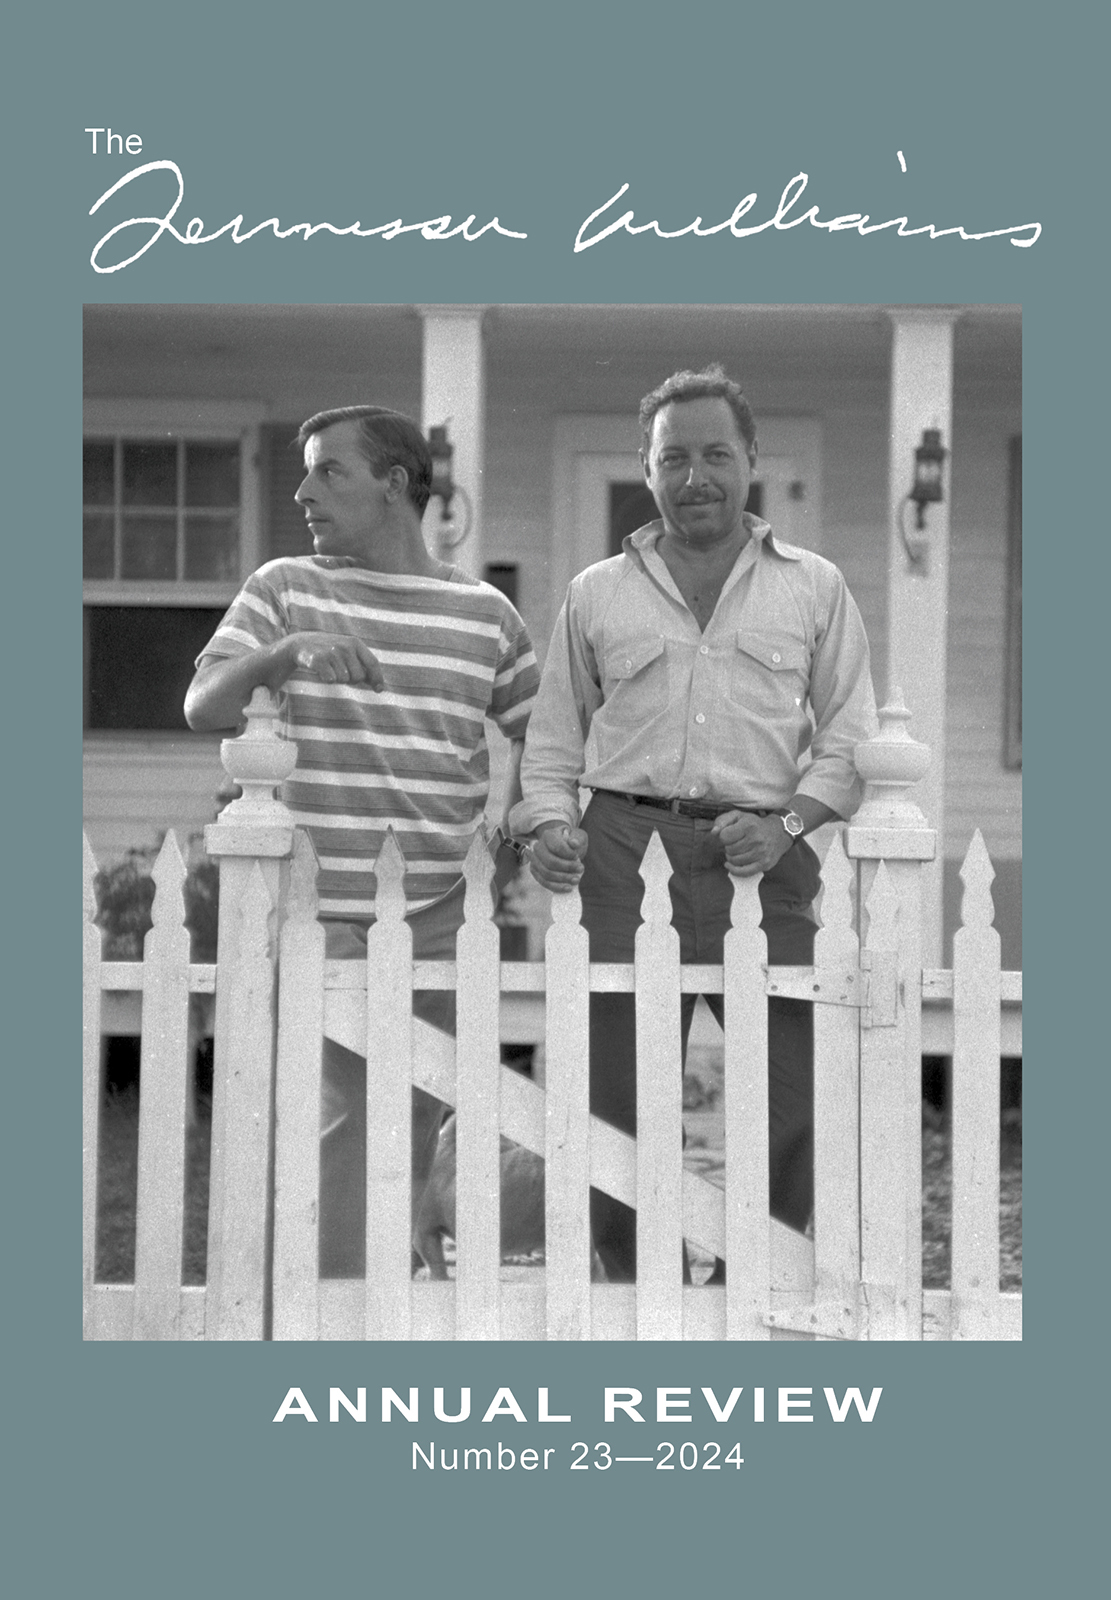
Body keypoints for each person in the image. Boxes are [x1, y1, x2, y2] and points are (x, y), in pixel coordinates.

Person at [509, 365, 878, 1283]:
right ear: (646, 467)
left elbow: (850, 740)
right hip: (623, 850)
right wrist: (549, 823)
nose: (695, 475)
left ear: (751, 460)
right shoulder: (597, 592)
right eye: (673, 457)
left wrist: (789, 823)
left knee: (789, 1091)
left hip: (766, 854)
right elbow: (553, 739)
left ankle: (766, 1278)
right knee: (614, 1095)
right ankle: (637, 1289)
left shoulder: (814, 587)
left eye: (716, 453)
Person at [185, 405, 538, 1276]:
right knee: (342, 1114)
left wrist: (516, 820)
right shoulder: (285, 590)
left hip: (441, 906)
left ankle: (384, 1299)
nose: (304, 491)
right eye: (305, 472)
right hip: (317, 906)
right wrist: (286, 655)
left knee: (417, 1110)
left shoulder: (484, 614)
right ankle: (335, 1314)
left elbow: (542, 728)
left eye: (328, 471)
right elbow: (203, 706)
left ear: (394, 484)